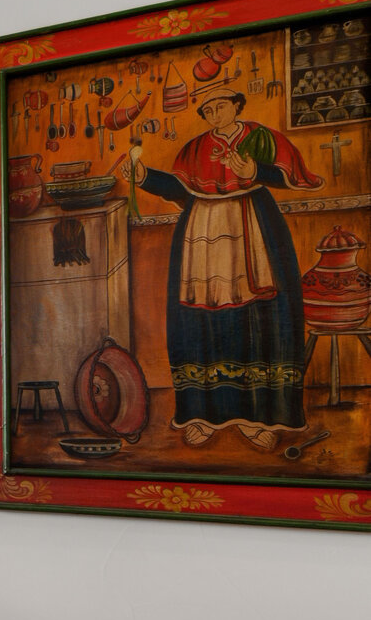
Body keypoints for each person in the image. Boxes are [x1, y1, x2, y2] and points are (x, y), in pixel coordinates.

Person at [130, 88, 323, 450]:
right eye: (207, 109)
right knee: (200, 323)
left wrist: (256, 170)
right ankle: (202, 415)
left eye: (221, 106)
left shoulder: (261, 137)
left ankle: (257, 418)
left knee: (258, 321)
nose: (214, 113)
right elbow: (181, 188)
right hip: (200, 241)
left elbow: (290, 174)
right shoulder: (193, 148)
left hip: (252, 230)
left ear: (236, 105)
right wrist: (144, 175)